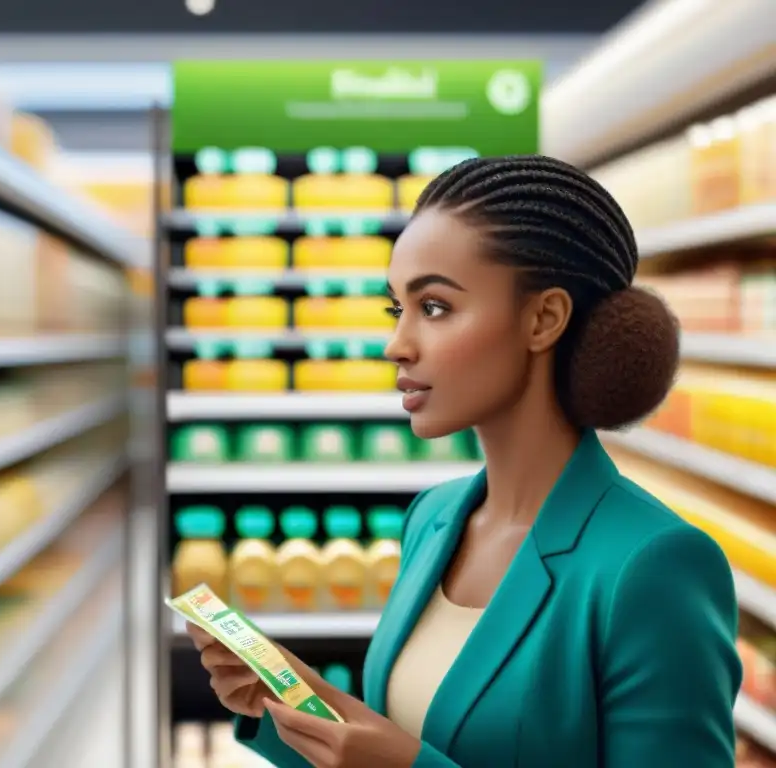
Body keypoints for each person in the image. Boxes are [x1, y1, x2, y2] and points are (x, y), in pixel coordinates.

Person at [186, 154, 742, 767]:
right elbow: (412, 737)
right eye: (397, 309)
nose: (396, 345)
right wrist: (294, 699)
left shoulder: (652, 566)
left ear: (543, 319)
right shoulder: (434, 518)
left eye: (435, 308)